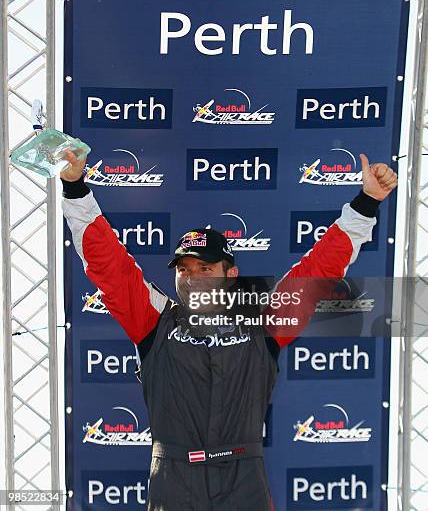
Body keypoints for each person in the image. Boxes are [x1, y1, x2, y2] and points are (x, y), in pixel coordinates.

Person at [60, 150, 397, 511]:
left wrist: (366, 203)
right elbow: (108, 264)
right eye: (185, 269)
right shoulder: (154, 320)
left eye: (205, 268)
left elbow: (318, 270)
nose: (193, 277)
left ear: (230, 274)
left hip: (244, 482)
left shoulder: (265, 320)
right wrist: (75, 187)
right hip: (173, 482)